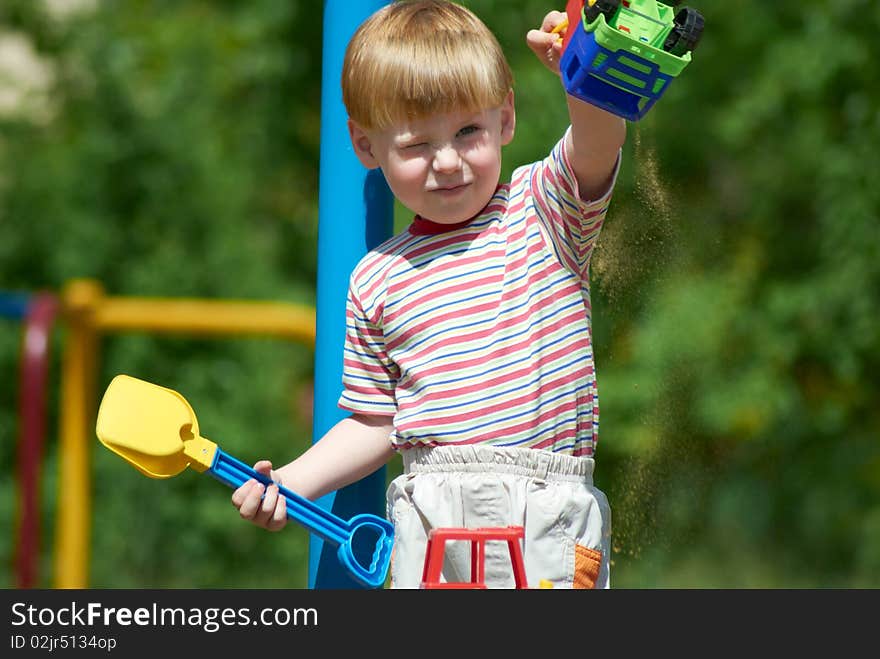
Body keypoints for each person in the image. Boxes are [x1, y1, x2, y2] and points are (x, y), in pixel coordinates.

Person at [232, 0, 626, 589]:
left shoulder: (542, 211)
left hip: (545, 517)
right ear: (367, 147)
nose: (448, 162)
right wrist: (290, 482)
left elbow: (598, 145)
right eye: (418, 145)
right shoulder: (378, 277)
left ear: (505, 119)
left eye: (468, 131)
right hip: (432, 517)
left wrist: (581, 73)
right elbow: (374, 422)